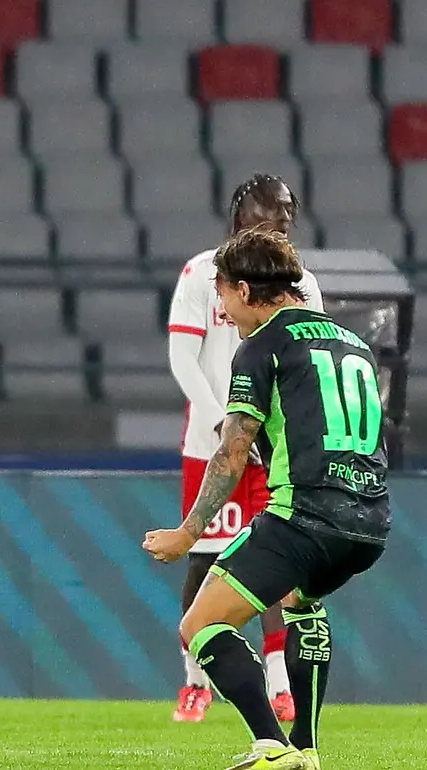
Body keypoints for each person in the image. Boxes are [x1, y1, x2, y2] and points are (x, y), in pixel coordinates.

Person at [144, 227, 390, 770]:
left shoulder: (262, 347)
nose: (225, 314)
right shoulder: (355, 345)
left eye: (226, 296)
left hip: (305, 514)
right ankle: (307, 748)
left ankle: (270, 745)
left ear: (248, 289)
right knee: (303, 604)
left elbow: (233, 453)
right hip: (371, 520)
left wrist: (188, 532)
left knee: (200, 627)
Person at [165, 175, 323, 723]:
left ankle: (279, 683)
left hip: (273, 450)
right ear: (240, 211)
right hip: (215, 442)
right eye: (269, 209)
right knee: (207, 555)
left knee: (277, 563)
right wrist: (219, 422)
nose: (280, 219)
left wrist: (275, 434)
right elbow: (184, 357)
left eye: (287, 212)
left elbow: (308, 366)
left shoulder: (304, 282)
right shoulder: (200, 274)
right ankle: (194, 681)